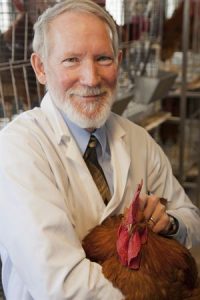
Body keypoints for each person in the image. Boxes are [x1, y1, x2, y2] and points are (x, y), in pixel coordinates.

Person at [0, 0, 199, 299]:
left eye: (103, 58)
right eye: (71, 60)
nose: (91, 79)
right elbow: (60, 284)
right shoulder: (18, 150)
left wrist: (168, 223)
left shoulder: (137, 139)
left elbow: (191, 221)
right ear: (41, 68)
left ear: (118, 61)